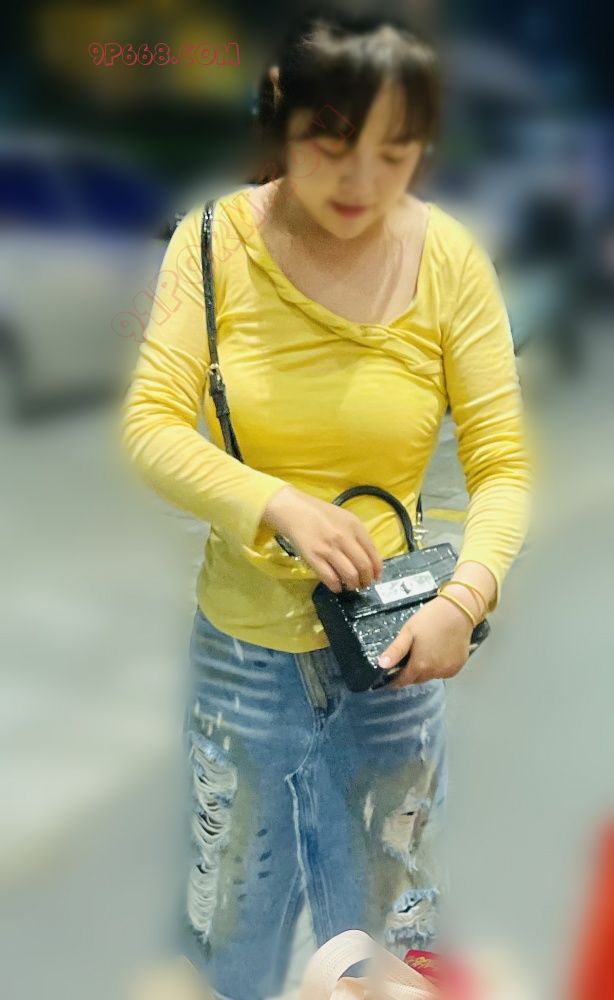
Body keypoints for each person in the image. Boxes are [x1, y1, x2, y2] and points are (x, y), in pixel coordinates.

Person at [120, 11, 532, 1000]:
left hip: (393, 657)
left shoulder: (449, 261)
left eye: (395, 151)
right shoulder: (213, 243)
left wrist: (465, 596)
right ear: (282, 116)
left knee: (383, 955)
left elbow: (501, 464)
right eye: (331, 143)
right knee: (233, 942)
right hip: (241, 662)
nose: (361, 181)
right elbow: (152, 424)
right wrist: (272, 503)